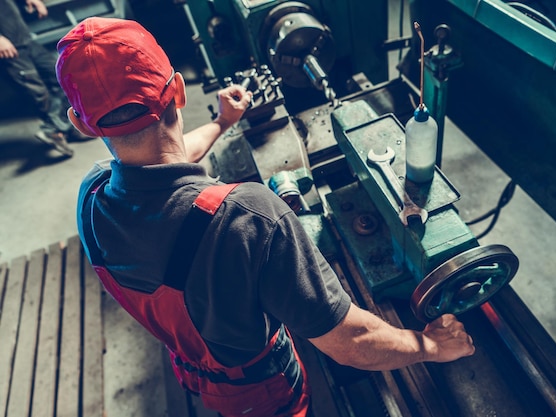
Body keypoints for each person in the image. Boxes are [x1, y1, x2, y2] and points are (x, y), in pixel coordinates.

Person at [57, 17, 475, 417]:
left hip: (196, 372)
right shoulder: (248, 218)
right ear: (179, 91)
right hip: (264, 393)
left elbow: (159, 159)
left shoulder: (90, 198)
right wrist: (430, 345)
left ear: (81, 124)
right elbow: (350, 341)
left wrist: (222, 123)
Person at [0, 0, 87, 157]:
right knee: (37, 92)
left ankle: (62, 128)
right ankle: (54, 131)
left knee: (62, 76)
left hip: (25, 39)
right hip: (8, 50)